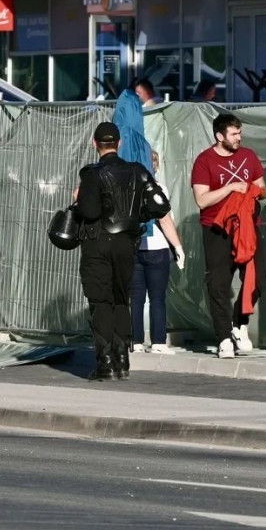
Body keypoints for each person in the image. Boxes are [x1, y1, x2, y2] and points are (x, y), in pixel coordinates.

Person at [78, 122, 167, 380]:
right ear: (119, 143)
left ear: (95, 144)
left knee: (100, 301)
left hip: (97, 244)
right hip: (127, 244)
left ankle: (105, 361)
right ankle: (123, 359)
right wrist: (139, 213)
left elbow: (90, 211)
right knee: (120, 299)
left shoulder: (91, 174)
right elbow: (160, 206)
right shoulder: (137, 171)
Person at [191, 113, 266, 358]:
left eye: (239, 133)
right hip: (216, 229)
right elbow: (201, 200)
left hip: (247, 226)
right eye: (234, 134)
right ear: (219, 136)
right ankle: (223, 337)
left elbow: (263, 188)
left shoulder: (248, 156)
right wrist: (230, 188)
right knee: (219, 284)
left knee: (259, 278)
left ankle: (238, 323)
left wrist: (255, 191)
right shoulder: (204, 161)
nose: (238, 138)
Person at [130, 150, 185, 355]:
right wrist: (178, 247)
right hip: (157, 247)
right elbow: (165, 220)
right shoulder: (158, 188)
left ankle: (135, 342)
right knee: (157, 297)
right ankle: (158, 342)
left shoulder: (129, 188)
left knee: (136, 298)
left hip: (135, 247)